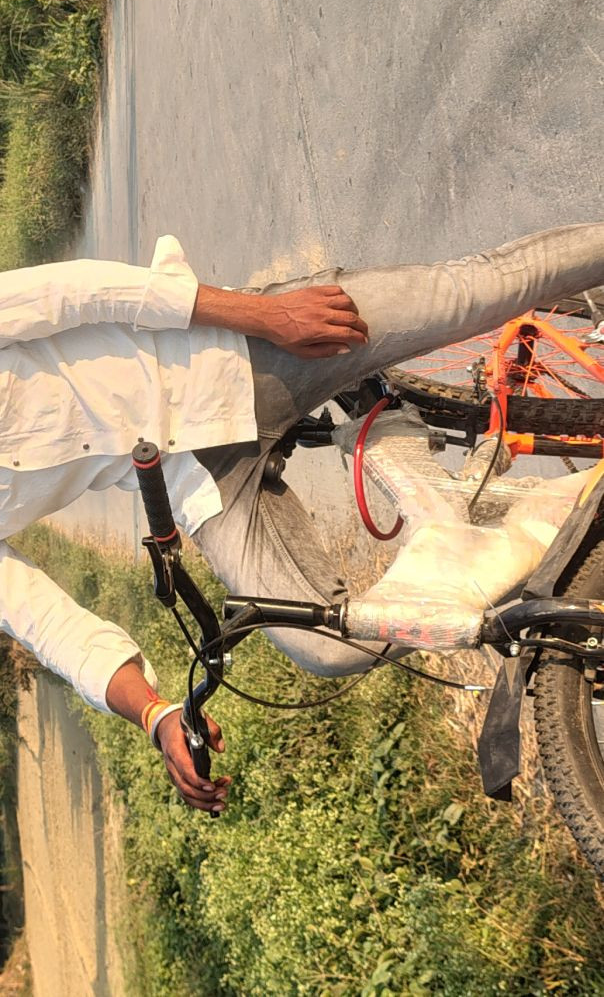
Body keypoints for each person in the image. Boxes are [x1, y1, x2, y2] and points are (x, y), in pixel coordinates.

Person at [1, 222, 603, 814]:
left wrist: (268, 315)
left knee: (476, 293)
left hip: (234, 355)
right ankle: (535, 521)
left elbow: (78, 290)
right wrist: (156, 715)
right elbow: (46, 625)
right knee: (329, 648)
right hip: (198, 479)